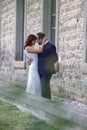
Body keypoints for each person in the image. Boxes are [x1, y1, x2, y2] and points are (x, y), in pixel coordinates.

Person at [37, 32, 58, 99]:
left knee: (45, 87)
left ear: (42, 39)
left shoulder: (50, 46)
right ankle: (44, 102)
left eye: (38, 39)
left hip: (47, 70)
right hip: (40, 71)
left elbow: (55, 59)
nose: (37, 41)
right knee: (42, 87)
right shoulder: (41, 47)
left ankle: (47, 102)